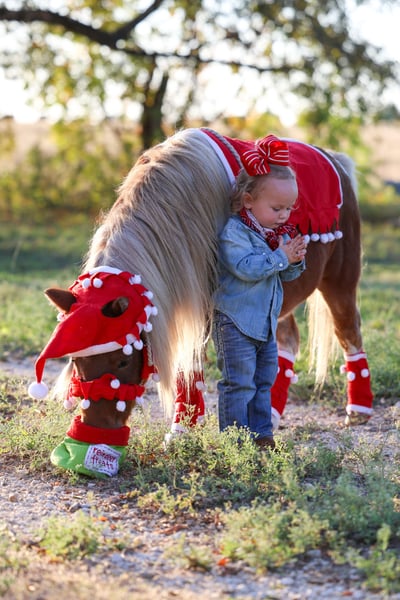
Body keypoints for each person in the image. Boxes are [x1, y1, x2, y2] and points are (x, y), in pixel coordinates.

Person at [212, 135, 307, 450]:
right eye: (277, 207)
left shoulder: (275, 234)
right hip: (235, 322)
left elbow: (284, 274)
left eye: (289, 208)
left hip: (264, 323)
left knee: (263, 381)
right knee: (238, 383)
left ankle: (261, 435)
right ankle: (235, 443)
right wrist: (280, 257)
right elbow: (246, 268)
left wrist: (294, 260)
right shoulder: (235, 233)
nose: (284, 215)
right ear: (248, 200)